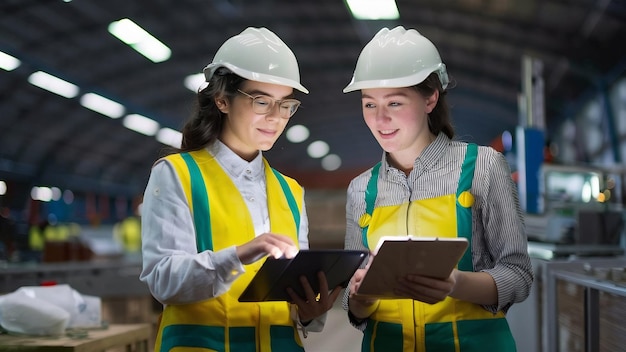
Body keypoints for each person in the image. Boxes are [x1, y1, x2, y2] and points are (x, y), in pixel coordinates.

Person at [139, 27, 340, 351]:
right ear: (222, 99)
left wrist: (309, 313)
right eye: (261, 101)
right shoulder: (177, 175)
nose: (276, 117)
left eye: (285, 104)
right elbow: (163, 281)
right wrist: (240, 255)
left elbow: (293, 294)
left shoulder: (290, 191)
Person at [341, 26, 534, 351]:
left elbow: (518, 275)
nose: (380, 119)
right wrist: (359, 298)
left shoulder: (483, 167)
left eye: (395, 103)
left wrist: (456, 284)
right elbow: (354, 299)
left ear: (430, 98)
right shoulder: (361, 190)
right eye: (369, 104)